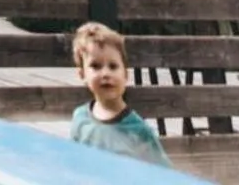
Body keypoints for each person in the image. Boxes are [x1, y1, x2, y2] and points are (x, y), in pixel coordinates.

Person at [70, 23, 171, 166]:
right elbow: (72, 165)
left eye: (113, 66)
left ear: (125, 75)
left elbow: (164, 175)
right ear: (82, 74)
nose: (105, 73)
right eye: (96, 66)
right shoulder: (80, 118)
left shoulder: (138, 130)